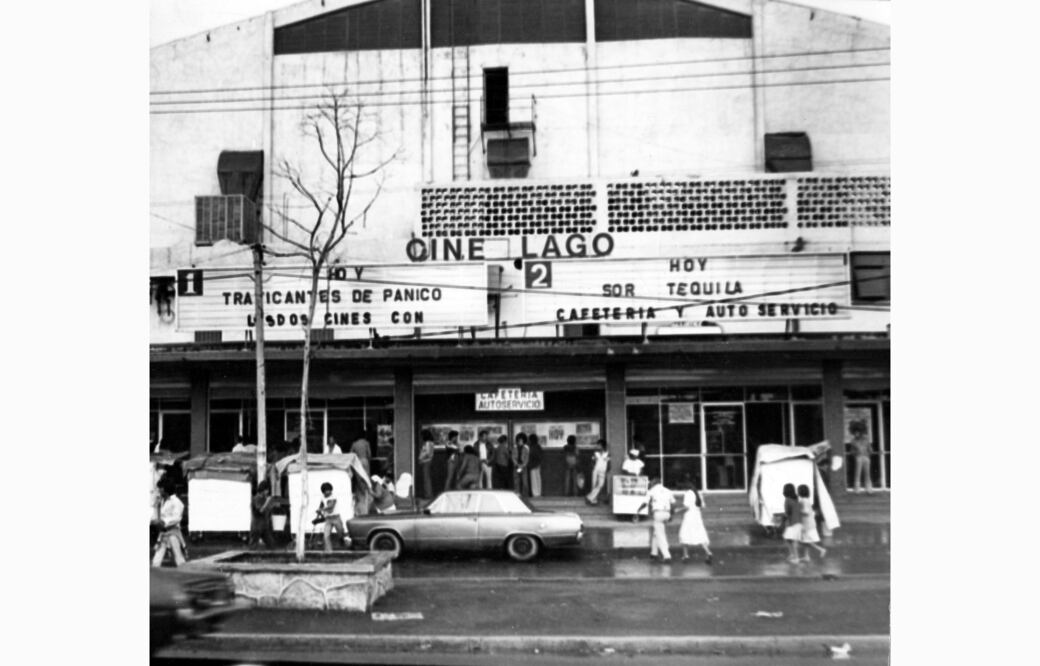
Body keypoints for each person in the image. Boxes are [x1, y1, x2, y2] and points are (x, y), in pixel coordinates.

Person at [634, 476, 674, 562]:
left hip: (658, 513)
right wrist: (671, 515)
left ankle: (667, 556)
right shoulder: (668, 491)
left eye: (651, 482)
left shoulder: (652, 491)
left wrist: (638, 511)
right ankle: (654, 553)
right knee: (656, 533)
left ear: (655, 483)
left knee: (660, 535)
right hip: (667, 513)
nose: (650, 484)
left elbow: (645, 503)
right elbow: (673, 504)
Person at [152, 480, 187, 567]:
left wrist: (164, 522)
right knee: (157, 557)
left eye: (160, 488)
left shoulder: (177, 502)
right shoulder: (163, 501)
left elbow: (177, 517)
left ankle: (184, 572)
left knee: (178, 556)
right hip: (163, 532)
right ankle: (155, 571)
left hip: (173, 532)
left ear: (164, 489)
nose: (159, 490)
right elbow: (160, 515)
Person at [676, 484, 712, 564]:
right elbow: (702, 507)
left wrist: (678, 510)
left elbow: (686, 507)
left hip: (689, 516)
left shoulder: (688, 493)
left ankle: (685, 555)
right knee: (700, 535)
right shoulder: (698, 494)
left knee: (684, 534)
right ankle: (708, 552)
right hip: (697, 516)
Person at [797, 484, 827, 561]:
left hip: (807, 524)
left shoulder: (803, 501)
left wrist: (798, 512)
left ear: (800, 492)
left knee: (806, 541)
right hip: (809, 523)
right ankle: (806, 556)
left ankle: (821, 549)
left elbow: (806, 512)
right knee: (806, 540)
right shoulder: (806, 500)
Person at [317, 482, 348, 552]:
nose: (329, 492)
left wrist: (321, 509)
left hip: (336, 518)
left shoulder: (334, 497)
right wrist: (319, 513)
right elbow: (321, 505)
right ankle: (329, 552)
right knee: (326, 536)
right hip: (328, 519)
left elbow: (331, 508)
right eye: (327, 491)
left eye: (330, 490)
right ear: (323, 492)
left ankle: (345, 547)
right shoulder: (322, 497)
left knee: (341, 534)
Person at [249, 480, 277, 549]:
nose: (267, 492)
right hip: (256, 527)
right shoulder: (256, 498)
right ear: (263, 490)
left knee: (271, 545)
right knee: (253, 546)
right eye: (266, 490)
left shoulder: (264, 499)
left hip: (264, 526)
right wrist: (267, 502)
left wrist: (271, 505)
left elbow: (267, 510)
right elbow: (260, 510)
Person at [848, 420, 874, 493]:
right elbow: (851, 451)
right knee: (857, 473)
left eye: (857, 432)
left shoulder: (866, 440)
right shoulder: (853, 441)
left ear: (861, 432)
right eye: (855, 432)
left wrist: (868, 454)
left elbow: (871, 450)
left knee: (867, 473)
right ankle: (857, 489)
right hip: (858, 458)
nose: (856, 434)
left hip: (866, 458)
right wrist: (856, 454)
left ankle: (869, 488)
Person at [781, 483, 802, 563]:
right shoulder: (795, 499)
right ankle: (793, 555)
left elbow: (787, 513)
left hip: (792, 523)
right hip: (798, 522)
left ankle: (796, 557)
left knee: (791, 540)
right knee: (788, 539)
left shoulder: (787, 500)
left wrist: (781, 520)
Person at [585, 439, 610, 505]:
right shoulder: (595, 453)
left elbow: (609, 463)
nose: (598, 446)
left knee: (600, 485)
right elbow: (592, 462)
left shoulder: (607, 453)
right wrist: (593, 468)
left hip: (603, 471)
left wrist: (607, 470)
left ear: (603, 446)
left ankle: (589, 497)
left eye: (599, 445)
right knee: (594, 484)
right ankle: (593, 500)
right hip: (596, 470)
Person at [418, 429, 435, 499]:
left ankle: (428, 494)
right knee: (427, 478)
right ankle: (428, 494)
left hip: (426, 461)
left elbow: (427, 453)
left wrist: (421, 458)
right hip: (428, 461)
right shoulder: (431, 443)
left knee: (426, 479)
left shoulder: (428, 443)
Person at [513, 433, 530, 497]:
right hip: (516, 466)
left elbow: (527, 458)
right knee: (516, 481)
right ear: (517, 441)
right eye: (519, 441)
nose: (520, 442)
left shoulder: (526, 449)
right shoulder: (515, 448)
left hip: (523, 467)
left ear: (524, 441)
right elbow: (513, 457)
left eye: (522, 441)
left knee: (525, 481)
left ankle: (525, 494)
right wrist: (516, 464)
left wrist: (523, 465)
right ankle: (517, 493)